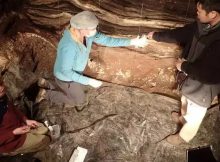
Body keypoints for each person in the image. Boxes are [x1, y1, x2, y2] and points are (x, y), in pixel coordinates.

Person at [36, 11, 148, 109]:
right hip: (66, 77)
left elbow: (107, 40)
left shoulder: (86, 35)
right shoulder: (68, 45)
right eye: (93, 28)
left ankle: (47, 83)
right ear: (82, 29)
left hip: (74, 73)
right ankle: (46, 94)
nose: (95, 31)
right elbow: (66, 72)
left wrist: (132, 42)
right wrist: (88, 81)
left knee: (77, 88)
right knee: (78, 101)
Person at [147, 0, 220, 145]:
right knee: (185, 100)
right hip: (189, 79)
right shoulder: (202, 25)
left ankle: (183, 136)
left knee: (195, 114)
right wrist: (156, 35)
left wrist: (184, 66)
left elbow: (209, 75)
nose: (196, 13)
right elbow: (179, 34)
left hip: (203, 88)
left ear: (213, 14)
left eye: (199, 11)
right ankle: (182, 117)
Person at [0, 81, 51, 155]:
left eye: (1, 84)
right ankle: (13, 152)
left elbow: (13, 109)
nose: (2, 88)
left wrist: (26, 120)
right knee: (47, 140)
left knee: (45, 129)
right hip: (12, 140)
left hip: (21, 125)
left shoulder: (2, 96)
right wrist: (13, 132)